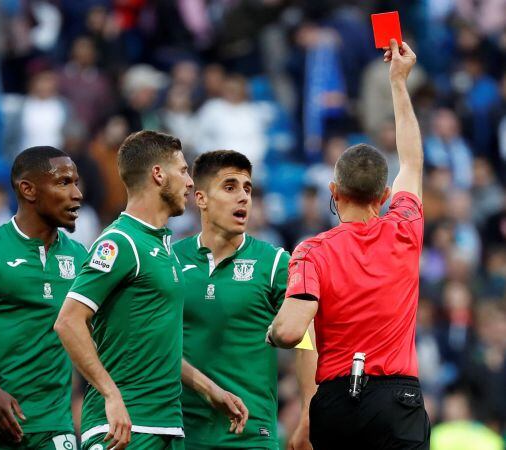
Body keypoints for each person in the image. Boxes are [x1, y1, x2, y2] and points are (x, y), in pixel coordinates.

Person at [268, 40, 429, 449]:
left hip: (338, 404)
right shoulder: (404, 229)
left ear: (334, 191)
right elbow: (411, 160)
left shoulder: (312, 250)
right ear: (385, 194)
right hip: (398, 401)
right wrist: (398, 81)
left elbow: (288, 332)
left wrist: (271, 331)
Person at [54, 131, 246, 450]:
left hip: (166, 426)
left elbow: (158, 346)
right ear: (158, 174)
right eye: (183, 171)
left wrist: (210, 389)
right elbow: (68, 321)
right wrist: (110, 394)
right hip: (123, 429)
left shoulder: (161, 245)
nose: (189, 182)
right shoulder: (120, 242)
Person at [173, 150, 317, 450]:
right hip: (181, 434)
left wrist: (307, 412)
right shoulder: (170, 261)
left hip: (252, 436)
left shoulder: (275, 262)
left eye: (247, 188)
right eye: (230, 187)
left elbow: (307, 336)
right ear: (201, 199)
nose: (243, 197)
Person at [0, 146, 87, 450]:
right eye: (64, 182)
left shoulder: (81, 257)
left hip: (54, 426)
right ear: (28, 190)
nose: (77, 194)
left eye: (75, 182)